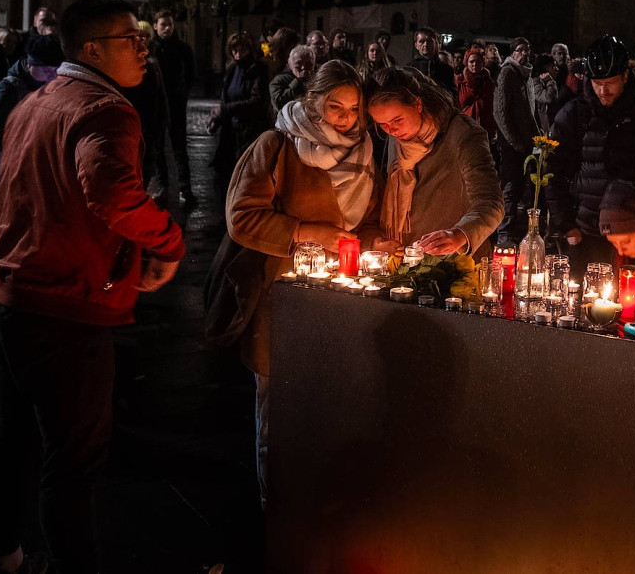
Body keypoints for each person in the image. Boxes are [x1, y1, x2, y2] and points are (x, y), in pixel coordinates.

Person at [0, 0, 185, 574]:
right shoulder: (104, 109)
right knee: (74, 460)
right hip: (67, 303)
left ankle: (5, 552)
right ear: (94, 49)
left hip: (14, 293)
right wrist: (168, 240)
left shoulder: (35, 101)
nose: (145, 50)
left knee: (16, 437)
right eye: (134, 40)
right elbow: (110, 193)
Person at [217, 59, 379, 509]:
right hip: (280, 299)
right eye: (334, 107)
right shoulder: (276, 145)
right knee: (278, 412)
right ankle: (277, 512)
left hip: (338, 302)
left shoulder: (365, 151)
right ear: (311, 101)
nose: (345, 119)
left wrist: (372, 241)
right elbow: (242, 218)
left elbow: (367, 218)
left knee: (328, 406)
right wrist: (308, 233)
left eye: (353, 109)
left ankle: (317, 507)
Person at [546, 34, 635, 272]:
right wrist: (565, 224)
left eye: (610, 83)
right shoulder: (573, 114)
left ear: (625, 76)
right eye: (597, 83)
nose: (603, 91)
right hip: (585, 231)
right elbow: (552, 171)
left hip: (633, 236)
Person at [366, 66, 503, 260]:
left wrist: (460, 234)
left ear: (417, 104)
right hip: (408, 261)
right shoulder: (396, 139)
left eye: (397, 119)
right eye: (382, 124)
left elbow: (491, 202)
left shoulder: (462, 134)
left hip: (455, 265)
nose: (392, 130)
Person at [0, 34, 64, 212]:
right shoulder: (7, 89)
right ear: (30, 64)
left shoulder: (52, 87)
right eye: (46, 70)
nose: (51, 75)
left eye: (55, 70)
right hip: (8, 165)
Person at [211, 31, 271, 206]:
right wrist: (219, 116)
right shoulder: (232, 68)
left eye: (241, 50)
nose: (237, 54)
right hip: (231, 129)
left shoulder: (258, 69)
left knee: (244, 172)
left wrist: (225, 109)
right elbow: (226, 95)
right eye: (234, 50)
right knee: (223, 172)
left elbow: (256, 101)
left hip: (250, 129)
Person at [149, 9, 196, 205]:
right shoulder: (150, 49)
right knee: (158, 147)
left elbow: (191, 74)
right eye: (163, 25)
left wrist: (182, 92)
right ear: (155, 26)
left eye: (170, 24)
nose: (168, 28)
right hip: (156, 104)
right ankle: (163, 187)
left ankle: (185, 188)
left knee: (179, 147)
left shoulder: (182, 49)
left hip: (176, 103)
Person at [493, 36, 538, 243]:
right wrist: (513, 141)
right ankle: (504, 232)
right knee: (510, 187)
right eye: (520, 50)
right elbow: (501, 111)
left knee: (523, 186)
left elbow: (530, 111)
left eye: (527, 50)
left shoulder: (526, 76)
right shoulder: (507, 73)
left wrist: (537, 136)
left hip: (527, 141)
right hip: (512, 144)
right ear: (512, 53)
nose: (524, 53)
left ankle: (520, 229)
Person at [120, 21, 170, 197]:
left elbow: (159, 97)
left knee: (146, 164)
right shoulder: (124, 66)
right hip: (131, 123)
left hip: (146, 125)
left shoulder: (151, 66)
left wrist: (161, 122)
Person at [455, 47, 496, 139]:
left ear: (483, 64)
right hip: (465, 128)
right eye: (471, 62)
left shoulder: (489, 82)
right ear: (466, 63)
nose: (475, 64)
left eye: (478, 62)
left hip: (485, 127)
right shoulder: (459, 80)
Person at [410, 26, 457, 97]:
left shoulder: (446, 70)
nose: (425, 45)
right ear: (416, 45)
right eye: (421, 41)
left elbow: (452, 94)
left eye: (429, 41)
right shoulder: (410, 69)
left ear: (436, 43)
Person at [269, 44, 317, 113]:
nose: (303, 67)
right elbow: (278, 103)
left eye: (308, 64)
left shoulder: (317, 79)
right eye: (299, 63)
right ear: (290, 64)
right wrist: (297, 81)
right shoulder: (278, 81)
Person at [527, 53, 560, 133]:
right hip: (542, 131)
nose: (557, 69)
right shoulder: (535, 82)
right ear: (545, 68)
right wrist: (550, 81)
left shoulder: (553, 81)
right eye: (553, 66)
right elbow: (548, 98)